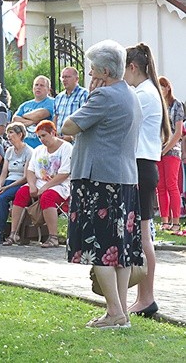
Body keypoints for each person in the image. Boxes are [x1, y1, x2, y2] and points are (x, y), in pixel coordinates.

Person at [62, 39, 143, 329]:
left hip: (98, 180)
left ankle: (114, 312)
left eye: (93, 69)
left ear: (105, 71)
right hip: (124, 178)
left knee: (99, 247)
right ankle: (120, 313)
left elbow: (67, 126)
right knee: (119, 251)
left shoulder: (103, 97)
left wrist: (90, 98)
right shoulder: (130, 94)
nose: (90, 74)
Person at [125, 43, 171, 318]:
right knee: (141, 235)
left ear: (133, 68)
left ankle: (146, 296)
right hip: (142, 166)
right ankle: (143, 296)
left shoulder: (143, 94)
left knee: (143, 236)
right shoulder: (145, 91)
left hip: (141, 166)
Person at [3, 120, 71, 248]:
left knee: (48, 196)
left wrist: (45, 187)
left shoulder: (66, 148)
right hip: (39, 182)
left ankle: (53, 237)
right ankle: (14, 234)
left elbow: (65, 173)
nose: (41, 139)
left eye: (44, 135)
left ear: (53, 133)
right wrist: (32, 185)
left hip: (60, 184)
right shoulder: (39, 150)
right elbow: (30, 170)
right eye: (39, 136)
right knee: (22, 193)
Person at [157, 76, 184, 232]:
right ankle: (164, 221)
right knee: (160, 187)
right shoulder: (159, 105)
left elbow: (178, 132)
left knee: (172, 185)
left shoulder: (177, 105)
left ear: (168, 88)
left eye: (162, 86)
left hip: (172, 150)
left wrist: (165, 149)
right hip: (158, 150)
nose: (160, 89)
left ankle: (176, 222)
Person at [13, 76, 55, 148]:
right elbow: (15, 120)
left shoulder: (52, 102)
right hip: (26, 147)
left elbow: (40, 115)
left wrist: (23, 117)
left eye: (42, 85)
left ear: (48, 90)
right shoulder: (25, 104)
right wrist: (32, 121)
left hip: (43, 146)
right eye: (36, 85)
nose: (38, 87)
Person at [53, 67, 88, 142]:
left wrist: (70, 137)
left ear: (76, 79)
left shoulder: (83, 94)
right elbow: (56, 117)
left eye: (68, 77)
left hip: (76, 140)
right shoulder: (59, 97)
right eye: (63, 77)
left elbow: (85, 119)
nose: (64, 80)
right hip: (60, 141)